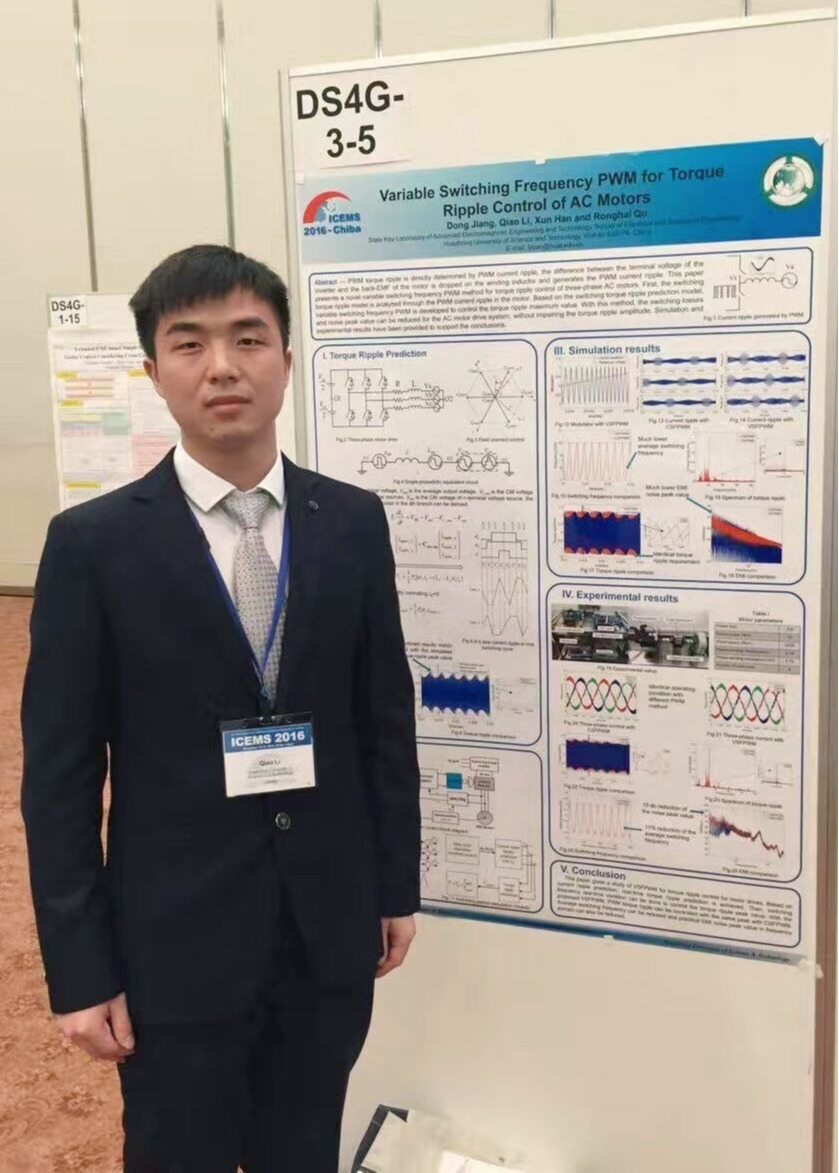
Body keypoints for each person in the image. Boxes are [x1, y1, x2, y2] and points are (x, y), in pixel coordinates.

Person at [20, 244, 421, 1173]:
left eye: (248, 338)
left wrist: (392, 884)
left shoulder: (351, 521)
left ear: (286, 358)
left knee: (302, 1147)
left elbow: (383, 719)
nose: (222, 367)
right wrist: (80, 968)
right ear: (152, 369)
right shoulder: (92, 546)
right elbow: (61, 778)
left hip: (326, 927)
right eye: (189, 343)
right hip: (173, 943)